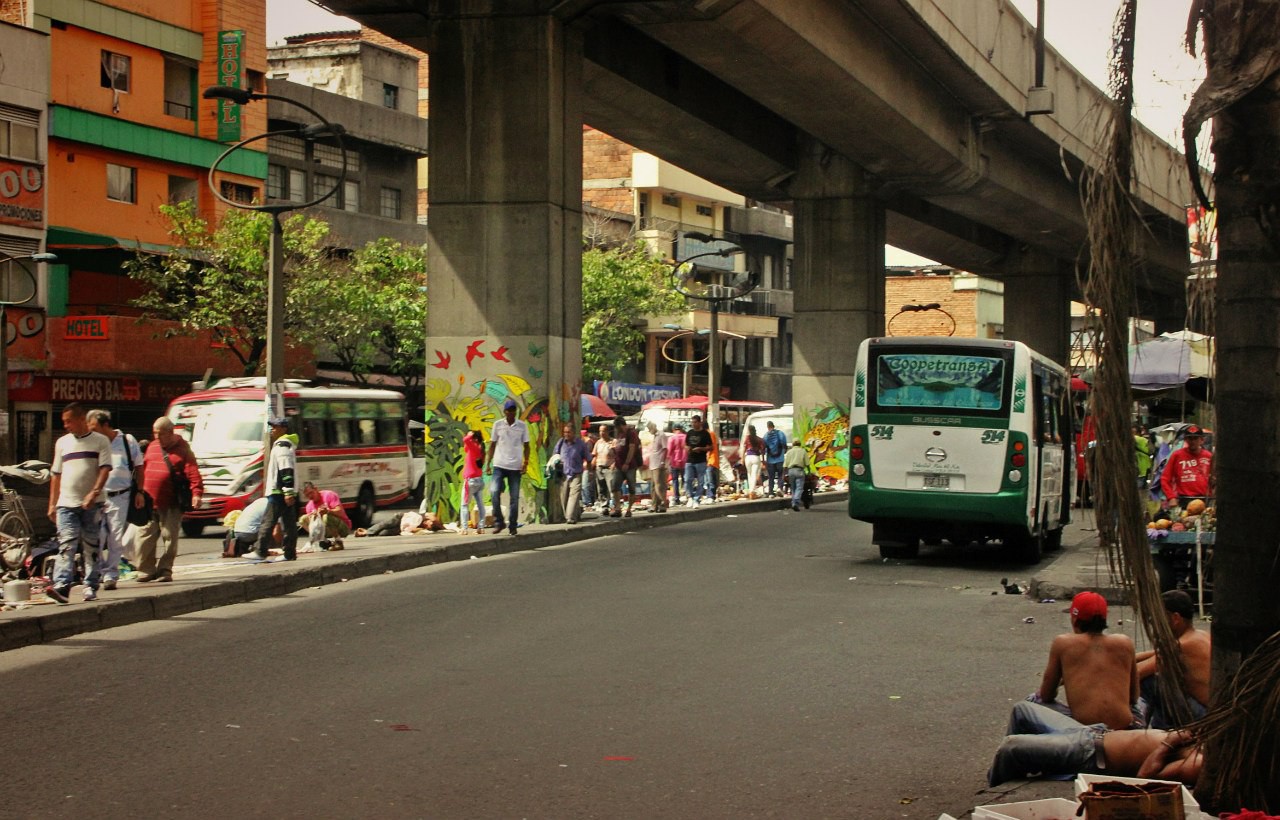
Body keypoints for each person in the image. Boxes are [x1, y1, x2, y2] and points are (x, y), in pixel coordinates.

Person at [988, 700, 1201, 787]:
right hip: (1093, 732)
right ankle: (1011, 775)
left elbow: (1146, 778)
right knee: (1022, 709)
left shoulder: (1199, 762)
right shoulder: (1210, 740)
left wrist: (1169, 743)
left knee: (1011, 747)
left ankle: (994, 794)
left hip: (1090, 754)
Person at [1021, 591, 1141, 731]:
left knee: (1032, 700)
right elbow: (1134, 697)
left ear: (1074, 619)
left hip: (1086, 730)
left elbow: (1046, 695)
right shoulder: (1125, 642)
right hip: (1125, 726)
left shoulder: (1063, 643)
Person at [45, 402, 112, 604]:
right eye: (64, 422)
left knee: (91, 544)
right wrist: (52, 504)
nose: (66, 425)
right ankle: (62, 586)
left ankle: (90, 585)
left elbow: (105, 469)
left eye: (69, 421)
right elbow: (56, 475)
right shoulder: (62, 443)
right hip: (66, 503)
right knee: (66, 543)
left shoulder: (100, 441)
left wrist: (94, 493)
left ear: (81, 419)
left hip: (93, 504)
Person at [135, 416, 203, 582]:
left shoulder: (183, 449)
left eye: (160, 434)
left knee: (169, 538)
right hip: (149, 502)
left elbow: (193, 472)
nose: (157, 437)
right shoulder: (152, 446)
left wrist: (196, 493)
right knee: (144, 537)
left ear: (170, 432)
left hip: (171, 503)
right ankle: (145, 570)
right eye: (155, 433)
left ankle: (165, 571)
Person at [1136, 589, 1212, 729]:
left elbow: (1139, 672)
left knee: (1151, 681)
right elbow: (1155, 654)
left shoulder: (1183, 645)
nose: (1154, 624)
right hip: (1210, 710)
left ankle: (1139, 729)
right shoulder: (1199, 635)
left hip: (1205, 716)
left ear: (1175, 618)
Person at [86, 409, 143, 591]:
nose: (91, 431)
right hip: (98, 496)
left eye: (94, 427)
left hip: (120, 496)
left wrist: (140, 492)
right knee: (97, 537)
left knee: (115, 538)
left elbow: (140, 467)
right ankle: (98, 571)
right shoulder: (92, 443)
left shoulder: (127, 441)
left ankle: (111, 574)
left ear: (106, 425)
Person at [246, 416, 297, 562]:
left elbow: (286, 469)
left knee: (267, 522)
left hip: (279, 491)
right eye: (272, 426)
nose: (272, 429)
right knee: (289, 524)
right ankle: (289, 553)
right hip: (285, 492)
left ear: (284, 429)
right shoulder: (286, 445)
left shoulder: (282, 446)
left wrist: (287, 491)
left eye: (275, 427)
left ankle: (260, 551)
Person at [485, 398, 529, 536]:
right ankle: (499, 521)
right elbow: (492, 444)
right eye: (509, 410)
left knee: (514, 498)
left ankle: (513, 526)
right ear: (505, 411)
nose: (511, 413)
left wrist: (525, 462)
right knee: (494, 492)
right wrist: (488, 463)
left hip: (515, 467)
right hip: (499, 464)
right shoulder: (498, 425)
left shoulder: (522, 426)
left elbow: (527, 446)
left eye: (513, 410)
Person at [1160, 425, 1213, 508]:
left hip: (1205, 500)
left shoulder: (1209, 456)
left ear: (1201, 440)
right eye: (1190, 438)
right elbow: (1165, 479)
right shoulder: (1177, 455)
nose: (1193, 441)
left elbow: (1215, 479)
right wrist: (1171, 497)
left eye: (1195, 438)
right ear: (1185, 440)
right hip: (1184, 500)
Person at [554, 423, 591, 524]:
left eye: (569, 432)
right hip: (563, 474)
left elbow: (588, 458)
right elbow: (555, 455)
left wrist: (589, 470)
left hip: (576, 474)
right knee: (564, 497)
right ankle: (571, 515)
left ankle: (569, 517)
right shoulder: (561, 442)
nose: (566, 434)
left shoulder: (581, 444)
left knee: (573, 496)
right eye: (565, 432)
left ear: (574, 433)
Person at [301, 481, 351, 551]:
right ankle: (325, 541)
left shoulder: (329, 495)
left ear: (316, 489)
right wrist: (313, 517)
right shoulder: (309, 506)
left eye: (311, 493)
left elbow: (340, 511)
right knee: (303, 519)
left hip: (342, 526)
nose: (310, 496)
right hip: (325, 529)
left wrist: (328, 511)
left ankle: (339, 542)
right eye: (307, 495)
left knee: (326, 517)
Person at [609, 416, 642, 518]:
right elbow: (619, 447)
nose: (616, 429)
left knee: (631, 487)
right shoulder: (619, 434)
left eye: (617, 427)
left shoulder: (631, 433)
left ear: (621, 425)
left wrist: (627, 463)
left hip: (630, 465)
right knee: (615, 486)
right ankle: (618, 508)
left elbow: (632, 448)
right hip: (619, 464)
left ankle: (629, 509)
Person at [458, 429, 486, 534]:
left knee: (464, 504)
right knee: (480, 504)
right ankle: (481, 527)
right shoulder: (480, 449)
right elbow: (466, 448)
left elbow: (465, 440)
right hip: (479, 480)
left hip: (470, 481)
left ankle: (464, 528)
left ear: (474, 439)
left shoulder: (474, 447)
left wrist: (470, 434)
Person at [683, 415, 712, 507]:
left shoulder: (705, 434)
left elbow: (711, 447)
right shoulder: (690, 433)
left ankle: (697, 499)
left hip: (701, 460)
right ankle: (690, 497)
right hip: (690, 459)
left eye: (695, 422)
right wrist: (687, 448)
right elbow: (685, 444)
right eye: (692, 422)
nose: (693, 424)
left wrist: (702, 449)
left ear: (699, 422)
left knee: (701, 481)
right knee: (687, 479)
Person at [645, 421, 669, 512]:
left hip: (659, 463)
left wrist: (662, 461)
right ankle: (655, 505)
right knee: (653, 486)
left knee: (658, 485)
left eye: (650, 428)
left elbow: (665, 449)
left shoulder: (661, 435)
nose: (649, 430)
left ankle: (664, 502)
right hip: (653, 464)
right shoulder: (655, 436)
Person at [592, 424, 615, 513]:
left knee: (611, 487)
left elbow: (617, 455)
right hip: (599, 467)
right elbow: (594, 455)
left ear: (608, 431)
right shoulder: (598, 442)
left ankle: (614, 506)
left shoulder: (612, 442)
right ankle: (604, 506)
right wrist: (592, 465)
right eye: (600, 431)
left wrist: (614, 464)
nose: (602, 433)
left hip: (609, 468)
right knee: (601, 488)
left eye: (603, 431)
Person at [783, 439, 809, 511]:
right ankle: (796, 500)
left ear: (793, 444)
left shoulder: (789, 452)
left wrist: (784, 474)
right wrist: (809, 472)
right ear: (800, 444)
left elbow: (785, 465)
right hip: (799, 470)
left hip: (790, 471)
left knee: (793, 488)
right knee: (799, 487)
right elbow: (807, 463)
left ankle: (793, 503)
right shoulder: (803, 451)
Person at [763, 420, 788, 497]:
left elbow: (764, 447)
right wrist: (784, 452)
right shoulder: (780, 433)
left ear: (767, 427)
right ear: (773, 426)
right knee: (781, 475)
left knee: (771, 477)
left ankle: (771, 492)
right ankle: (779, 489)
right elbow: (784, 444)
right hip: (780, 459)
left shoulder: (766, 436)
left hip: (770, 460)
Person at [741, 424, 764, 497]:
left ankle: (750, 490)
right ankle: (752, 491)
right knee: (754, 474)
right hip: (756, 457)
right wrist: (763, 460)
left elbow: (744, 449)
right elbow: (762, 450)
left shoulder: (747, 438)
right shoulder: (759, 439)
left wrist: (742, 458)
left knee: (749, 474)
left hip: (748, 457)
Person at [666, 424, 687, 506]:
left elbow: (669, 451)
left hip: (674, 462)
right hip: (685, 462)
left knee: (675, 481)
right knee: (685, 480)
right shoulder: (686, 437)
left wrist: (667, 462)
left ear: (673, 430)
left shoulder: (672, 438)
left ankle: (677, 497)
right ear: (681, 429)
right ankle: (685, 496)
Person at [580, 425, 598, 509]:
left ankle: (587, 502)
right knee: (588, 485)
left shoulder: (588, 443)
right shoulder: (588, 442)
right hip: (585, 466)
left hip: (587, 466)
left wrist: (587, 464)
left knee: (585, 485)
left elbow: (589, 455)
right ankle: (588, 501)